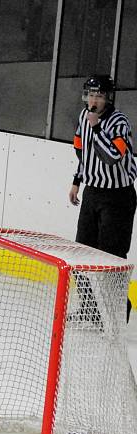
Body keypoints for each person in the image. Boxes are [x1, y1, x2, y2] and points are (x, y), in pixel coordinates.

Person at [68, 75, 137, 322]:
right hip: (93, 192)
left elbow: (111, 157)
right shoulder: (82, 118)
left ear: (108, 98)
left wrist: (96, 126)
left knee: (111, 257)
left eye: (99, 95)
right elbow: (82, 152)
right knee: (80, 253)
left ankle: (118, 310)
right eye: (91, 95)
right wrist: (78, 180)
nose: (93, 100)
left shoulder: (119, 122)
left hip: (117, 197)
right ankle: (90, 309)